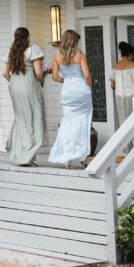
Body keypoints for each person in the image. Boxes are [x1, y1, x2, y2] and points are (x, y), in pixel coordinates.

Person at [49, 30, 93, 169]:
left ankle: (68, 157)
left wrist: (67, 81)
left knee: (68, 123)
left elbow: (54, 77)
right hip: (81, 90)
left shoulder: (56, 56)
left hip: (67, 91)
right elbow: (87, 75)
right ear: (74, 41)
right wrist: (89, 88)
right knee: (83, 124)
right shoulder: (80, 54)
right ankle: (83, 157)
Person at [3, 27, 46, 167]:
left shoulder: (12, 52)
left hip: (15, 86)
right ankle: (28, 155)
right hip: (29, 86)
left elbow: (5, 73)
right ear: (27, 37)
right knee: (34, 118)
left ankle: (24, 153)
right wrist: (42, 80)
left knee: (21, 119)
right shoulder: (33, 49)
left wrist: (16, 83)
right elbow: (39, 72)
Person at [110, 42, 134, 127]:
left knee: (123, 120)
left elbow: (112, 86)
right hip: (132, 95)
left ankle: (125, 140)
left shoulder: (115, 67)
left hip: (119, 96)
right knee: (133, 120)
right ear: (130, 54)